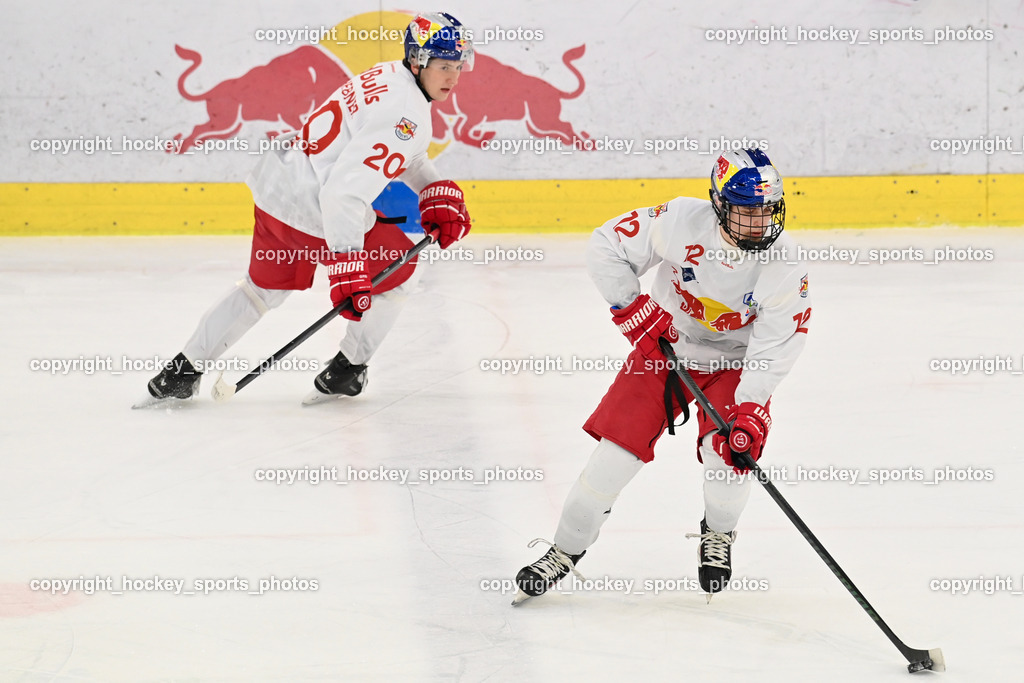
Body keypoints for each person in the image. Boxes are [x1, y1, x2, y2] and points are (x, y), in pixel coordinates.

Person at [514, 149, 812, 601]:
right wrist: (632, 307)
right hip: (665, 349)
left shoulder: (787, 266)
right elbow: (605, 245)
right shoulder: (678, 220)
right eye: (747, 211)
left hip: (735, 362)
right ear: (718, 205)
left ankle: (719, 532)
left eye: (767, 209)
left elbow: (774, 349)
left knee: (730, 459)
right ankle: (564, 550)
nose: (759, 222)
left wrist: (751, 408)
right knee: (613, 458)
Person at [138, 12, 474, 407]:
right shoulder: (406, 115)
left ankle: (179, 374)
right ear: (418, 62)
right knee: (401, 273)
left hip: (278, 190)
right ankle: (346, 371)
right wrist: (348, 261)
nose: (453, 76)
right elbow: (343, 196)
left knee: (258, 291)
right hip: (316, 211)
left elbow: (399, 153)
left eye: (457, 65)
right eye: (444, 65)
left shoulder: (388, 75)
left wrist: (432, 189)